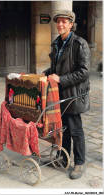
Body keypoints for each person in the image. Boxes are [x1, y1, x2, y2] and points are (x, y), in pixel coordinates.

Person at [42, 10, 91, 179]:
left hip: (74, 94)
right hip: (59, 94)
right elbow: (56, 69)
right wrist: (44, 74)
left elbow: (84, 72)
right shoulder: (57, 44)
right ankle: (63, 159)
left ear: (71, 24)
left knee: (75, 129)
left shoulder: (80, 44)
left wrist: (60, 79)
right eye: (58, 21)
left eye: (64, 21)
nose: (60, 24)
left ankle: (79, 163)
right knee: (63, 129)